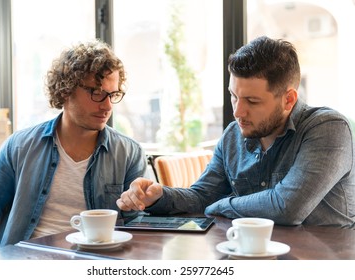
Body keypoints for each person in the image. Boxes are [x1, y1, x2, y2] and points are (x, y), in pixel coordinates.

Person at [117, 36, 355, 229]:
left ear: (288, 99)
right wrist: (159, 196)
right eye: (234, 96)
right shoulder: (234, 135)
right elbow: (202, 196)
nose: (238, 112)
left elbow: (287, 207)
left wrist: (221, 205)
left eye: (252, 101)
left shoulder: (328, 128)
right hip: (249, 258)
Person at [0, 39, 147, 251]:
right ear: (65, 91)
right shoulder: (20, 146)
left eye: (113, 94)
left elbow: (141, 223)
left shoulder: (129, 153)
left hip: (95, 263)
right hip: (23, 261)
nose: (107, 105)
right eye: (96, 93)